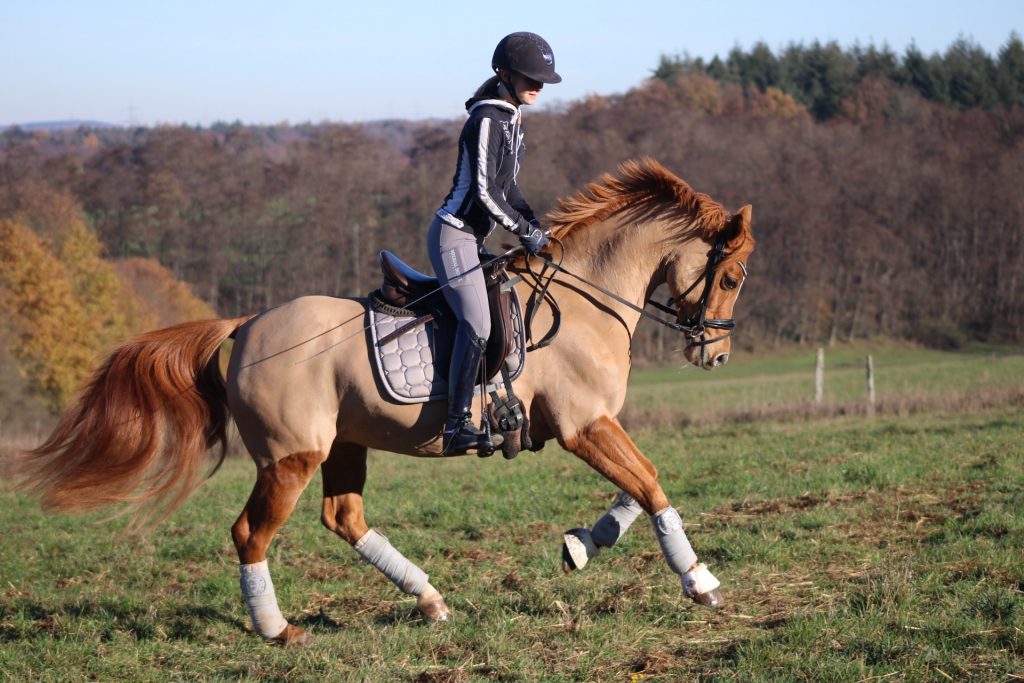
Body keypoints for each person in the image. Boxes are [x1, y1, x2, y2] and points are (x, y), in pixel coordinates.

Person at [427, 32, 560, 455]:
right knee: (478, 324)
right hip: (454, 234)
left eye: (542, 79)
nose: (537, 85)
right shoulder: (487, 118)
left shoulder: (512, 118)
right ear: (504, 73)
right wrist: (525, 233)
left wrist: (539, 227)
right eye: (529, 77)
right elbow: (486, 193)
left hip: (475, 237)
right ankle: (455, 424)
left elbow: (510, 187)